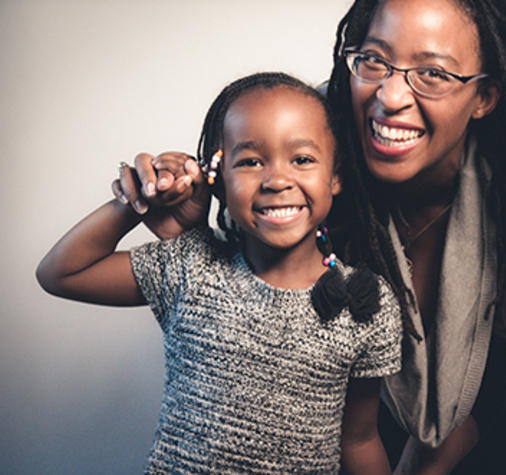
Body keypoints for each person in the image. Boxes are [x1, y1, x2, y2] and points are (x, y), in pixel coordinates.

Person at [117, 0, 506, 472]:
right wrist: (186, 227)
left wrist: (425, 460)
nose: (390, 96)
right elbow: (244, 289)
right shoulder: (309, 159)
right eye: (374, 61)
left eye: (432, 72)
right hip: (321, 443)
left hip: (470, 434)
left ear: (485, 96)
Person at [37, 72, 407, 473]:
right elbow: (62, 273)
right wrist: (138, 199)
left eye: (302, 159)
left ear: (335, 176)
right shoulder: (191, 267)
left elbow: (359, 438)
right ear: (217, 178)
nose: (277, 180)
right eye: (249, 161)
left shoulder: (364, 302)